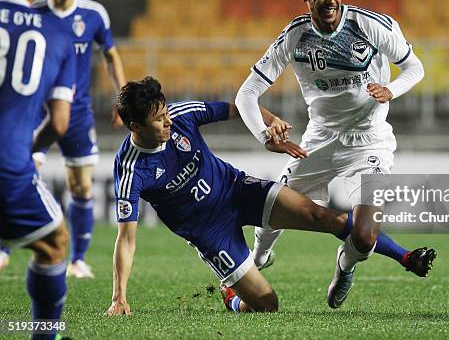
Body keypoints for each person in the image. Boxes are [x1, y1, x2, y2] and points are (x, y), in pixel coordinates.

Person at [235, 0, 436, 308]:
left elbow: (414, 67)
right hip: (319, 141)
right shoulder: (295, 36)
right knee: (273, 206)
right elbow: (246, 94)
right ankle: (260, 257)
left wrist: (392, 90)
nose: (330, 1)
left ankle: (345, 266)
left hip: (371, 141)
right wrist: (265, 135)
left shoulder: (371, 26)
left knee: (363, 235)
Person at [106, 76, 367, 315]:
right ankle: (230, 296)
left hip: (236, 190)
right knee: (267, 306)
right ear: (135, 126)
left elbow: (238, 108)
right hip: (209, 232)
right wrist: (120, 297)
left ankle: (389, 257)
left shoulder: (181, 115)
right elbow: (126, 239)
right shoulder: (131, 168)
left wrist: (270, 121)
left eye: (166, 113)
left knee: (322, 216)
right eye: (159, 119)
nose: (168, 121)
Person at [27, 0, 127, 278]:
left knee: (82, 187)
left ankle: (77, 260)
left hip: (78, 113)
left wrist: (122, 97)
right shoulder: (34, 13)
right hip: (35, 111)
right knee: (21, 175)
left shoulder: (94, 14)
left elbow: (111, 56)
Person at [0, 0, 76, 338]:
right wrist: (26, 150)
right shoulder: (57, 36)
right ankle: (44, 335)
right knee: (53, 244)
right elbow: (59, 124)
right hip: (10, 167)